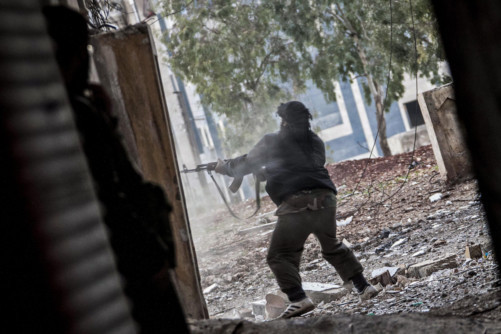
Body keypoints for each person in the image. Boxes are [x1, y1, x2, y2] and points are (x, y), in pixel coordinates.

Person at [42, 6, 188, 333]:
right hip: (128, 263)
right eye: (83, 52)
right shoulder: (76, 113)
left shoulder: (66, 110)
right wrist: (151, 258)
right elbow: (113, 194)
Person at [215, 101, 378, 318]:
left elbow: (247, 163)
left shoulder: (273, 140)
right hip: (326, 198)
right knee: (331, 245)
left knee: (279, 255)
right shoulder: (315, 141)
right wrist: (271, 170)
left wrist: (224, 167)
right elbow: (305, 165)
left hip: (297, 204)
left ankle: (298, 298)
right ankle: (364, 286)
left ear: (283, 120)